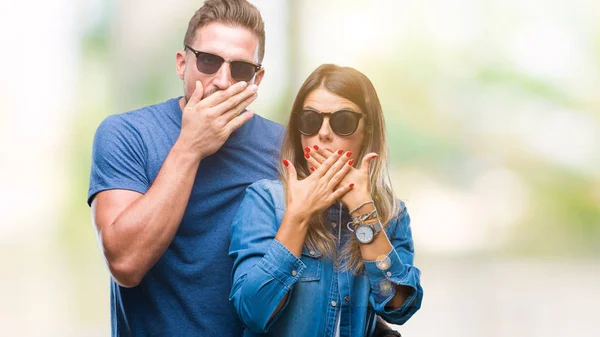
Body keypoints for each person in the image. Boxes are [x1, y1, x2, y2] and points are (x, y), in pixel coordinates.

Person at [87, 1, 284, 335]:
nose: (222, 81)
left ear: (257, 79)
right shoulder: (127, 135)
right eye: (208, 61)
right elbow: (125, 264)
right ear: (182, 63)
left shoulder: (284, 147)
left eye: (240, 69)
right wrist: (190, 147)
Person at [229, 64, 423, 336]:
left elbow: (399, 307)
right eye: (310, 120)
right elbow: (253, 312)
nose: (323, 133)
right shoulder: (265, 200)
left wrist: (363, 211)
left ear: (367, 131)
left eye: (342, 121)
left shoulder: (390, 212)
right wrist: (298, 216)